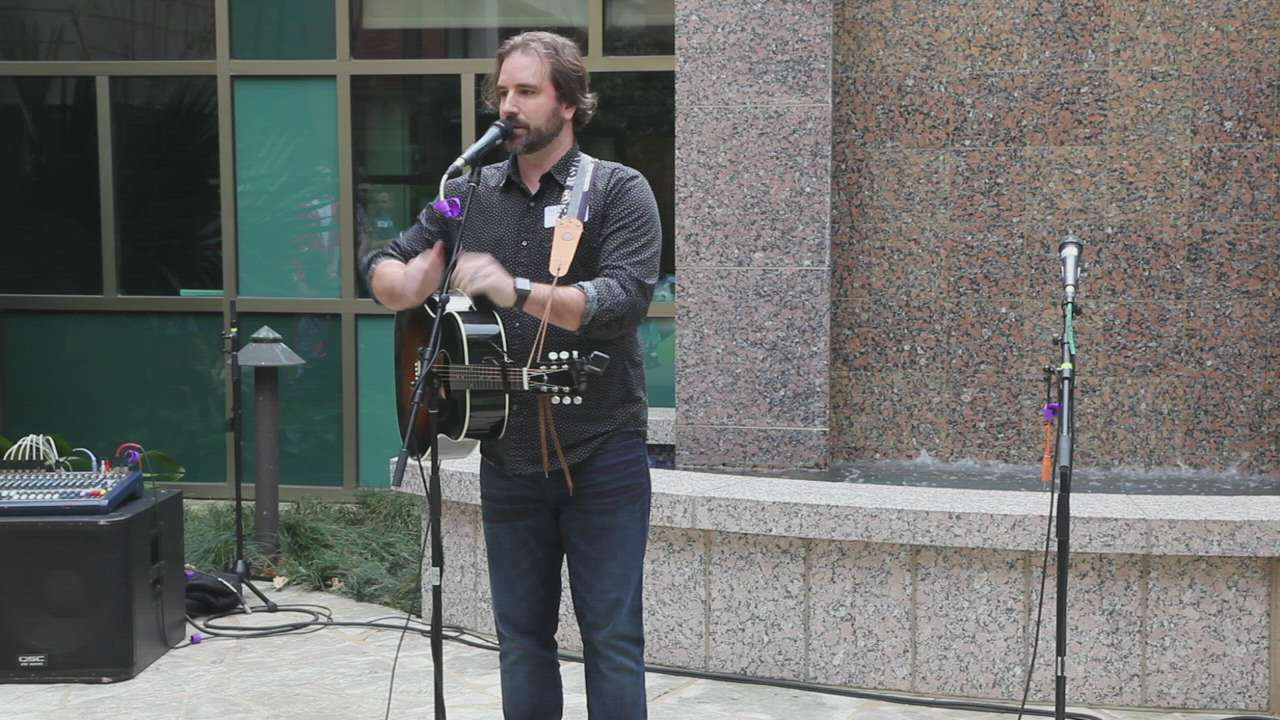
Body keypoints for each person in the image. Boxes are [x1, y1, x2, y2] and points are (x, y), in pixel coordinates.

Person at [361, 31, 661, 720]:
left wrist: (515, 289)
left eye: (527, 91)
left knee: (612, 639)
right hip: (507, 455)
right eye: (502, 92)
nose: (508, 106)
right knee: (520, 641)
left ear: (569, 103)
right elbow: (383, 262)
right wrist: (406, 283)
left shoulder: (615, 189)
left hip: (601, 452)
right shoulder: (466, 195)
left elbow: (622, 300)